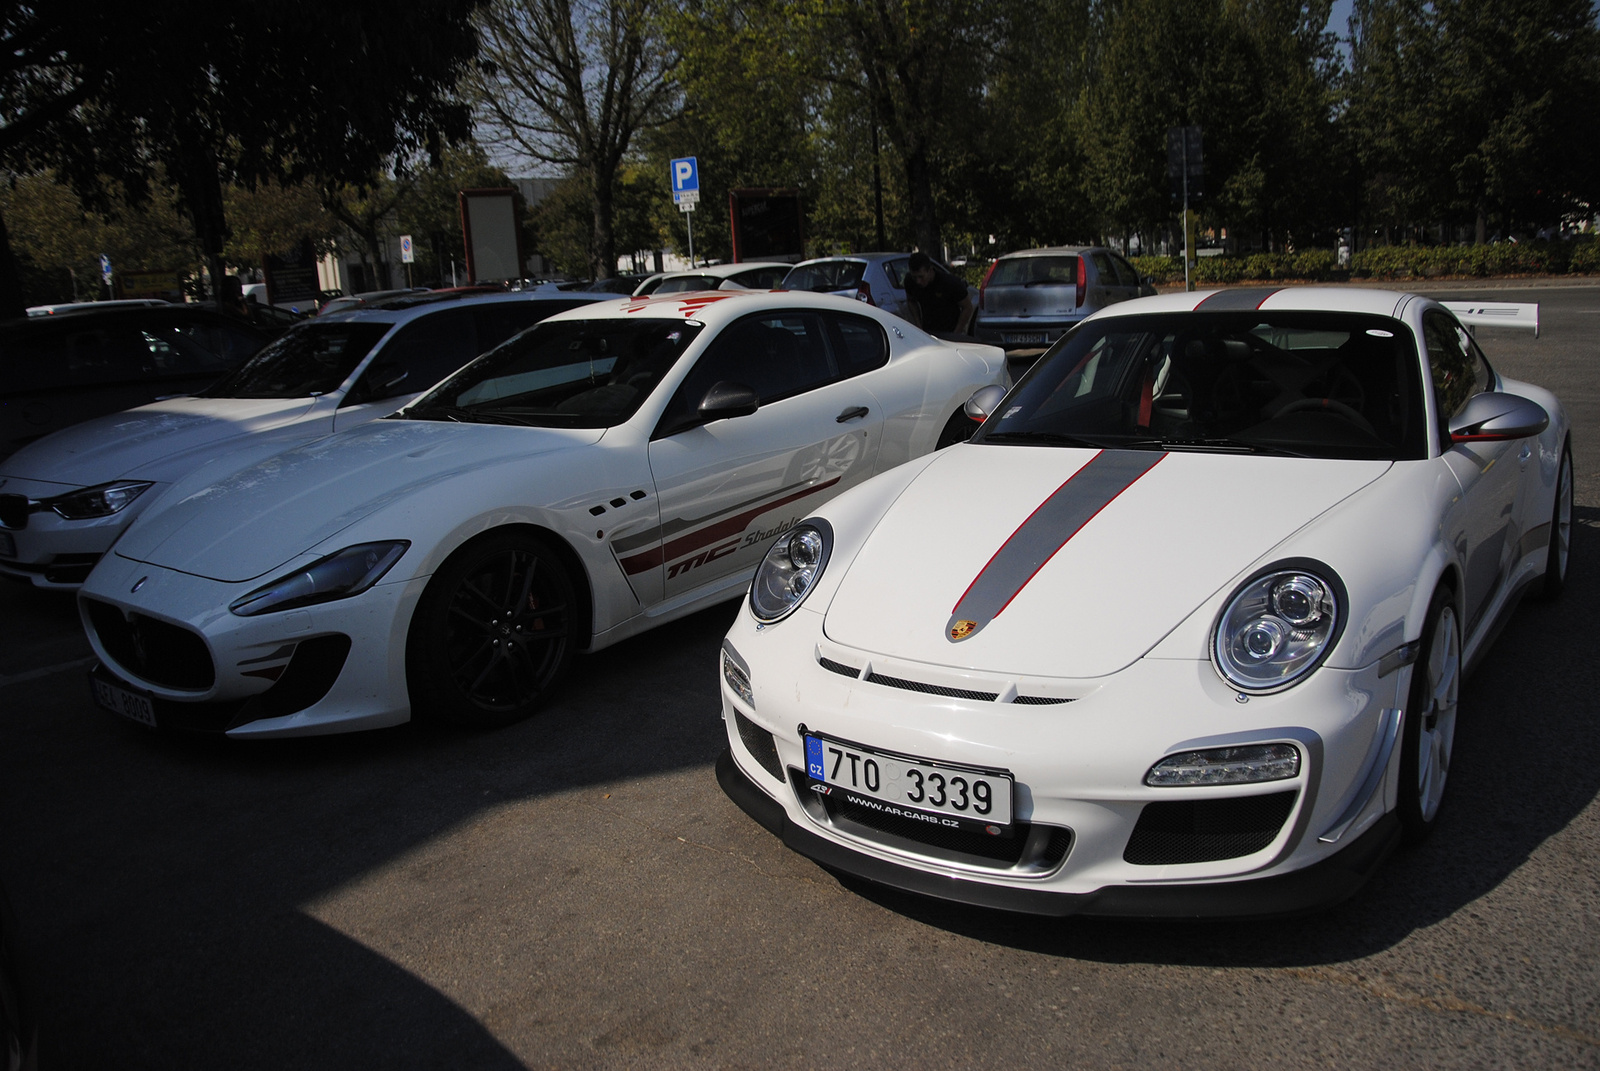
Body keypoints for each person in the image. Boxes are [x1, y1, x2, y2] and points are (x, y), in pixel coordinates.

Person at [903, 252, 973, 335]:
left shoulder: (950, 283)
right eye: (914, 277)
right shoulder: (910, 281)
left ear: (930, 270)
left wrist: (956, 333)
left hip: (950, 329)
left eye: (921, 277)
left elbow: (968, 307)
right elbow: (911, 301)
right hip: (928, 329)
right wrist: (918, 324)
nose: (918, 281)